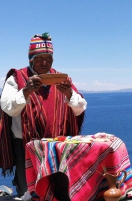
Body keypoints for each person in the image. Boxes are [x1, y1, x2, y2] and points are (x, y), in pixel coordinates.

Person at [0, 32, 87, 199]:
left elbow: (80, 108)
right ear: (31, 60)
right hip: (27, 145)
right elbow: (8, 108)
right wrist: (25, 91)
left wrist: (69, 93)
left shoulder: (60, 78)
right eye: (40, 59)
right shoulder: (17, 78)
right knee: (31, 191)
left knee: (59, 188)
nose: (45, 62)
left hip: (57, 146)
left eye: (48, 58)